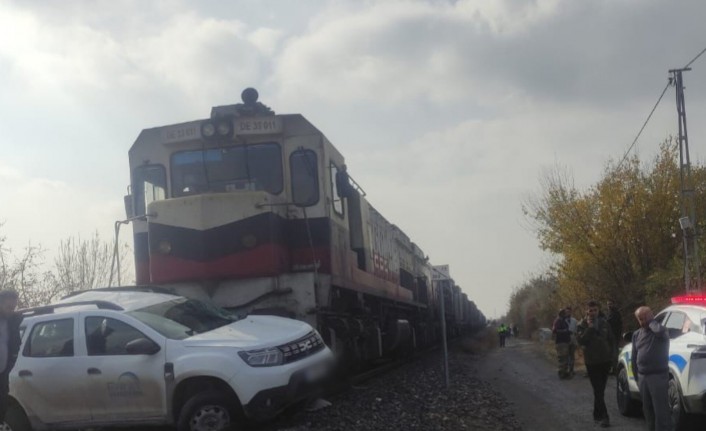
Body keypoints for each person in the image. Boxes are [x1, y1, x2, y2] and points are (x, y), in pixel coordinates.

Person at [632, 306, 672, 431]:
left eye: (645, 317)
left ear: (651, 316)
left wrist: (651, 322)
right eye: (640, 319)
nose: (643, 321)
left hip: (658, 376)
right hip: (643, 377)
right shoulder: (636, 334)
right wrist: (637, 377)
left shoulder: (660, 331)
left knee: (661, 413)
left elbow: (659, 331)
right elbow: (634, 358)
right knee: (648, 412)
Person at [577, 300, 615, 428]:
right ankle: (605, 417)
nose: (592, 312)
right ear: (586, 311)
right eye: (590, 310)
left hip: (605, 361)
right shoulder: (582, 324)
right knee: (598, 390)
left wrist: (613, 359)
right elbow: (581, 341)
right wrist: (590, 328)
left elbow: (611, 341)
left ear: (598, 310)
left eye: (595, 310)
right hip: (592, 362)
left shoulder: (605, 323)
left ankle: (596, 413)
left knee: (600, 390)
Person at [0, 290, 21, 427]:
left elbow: (15, 344)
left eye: (13, 308)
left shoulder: (12, 322)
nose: (11, 311)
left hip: (2, 373)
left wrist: (9, 366)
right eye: (8, 307)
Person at [552, 309, 571, 379]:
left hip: (565, 342)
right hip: (560, 342)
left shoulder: (564, 320)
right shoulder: (558, 321)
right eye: (565, 313)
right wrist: (564, 331)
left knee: (565, 358)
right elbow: (554, 330)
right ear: (562, 314)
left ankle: (565, 373)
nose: (567, 314)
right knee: (562, 359)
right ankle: (561, 374)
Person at [606, 300, 623, 374]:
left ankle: (615, 369)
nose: (609, 305)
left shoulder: (616, 313)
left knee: (614, 353)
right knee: (609, 353)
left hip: (615, 336)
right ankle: (611, 369)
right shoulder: (609, 313)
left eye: (610, 304)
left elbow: (614, 322)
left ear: (613, 304)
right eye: (608, 304)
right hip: (609, 336)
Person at [565, 306, 579, 376]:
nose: (568, 313)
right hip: (565, 339)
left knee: (572, 355)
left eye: (569, 312)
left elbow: (576, 331)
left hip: (573, 339)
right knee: (566, 355)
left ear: (571, 312)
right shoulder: (563, 320)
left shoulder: (574, 320)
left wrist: (576, 341)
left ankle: (571, 369)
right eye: (567, 312)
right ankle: (566, 369)